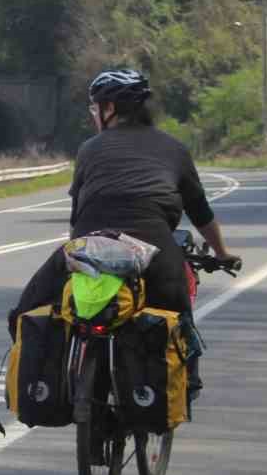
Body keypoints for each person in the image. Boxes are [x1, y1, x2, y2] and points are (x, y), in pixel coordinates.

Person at [13, 68, 237, 394]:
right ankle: (188, 382)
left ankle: (42, 387)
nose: (94, 115)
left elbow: (77, 219)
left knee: (25, 310)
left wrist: (76, 256)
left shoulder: (90, 149)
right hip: (155, 250)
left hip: (89, 246)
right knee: (180, 321)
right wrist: (222, 254)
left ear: (110, 109)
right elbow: (201, 213)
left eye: (95, 108)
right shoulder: (174, 149)